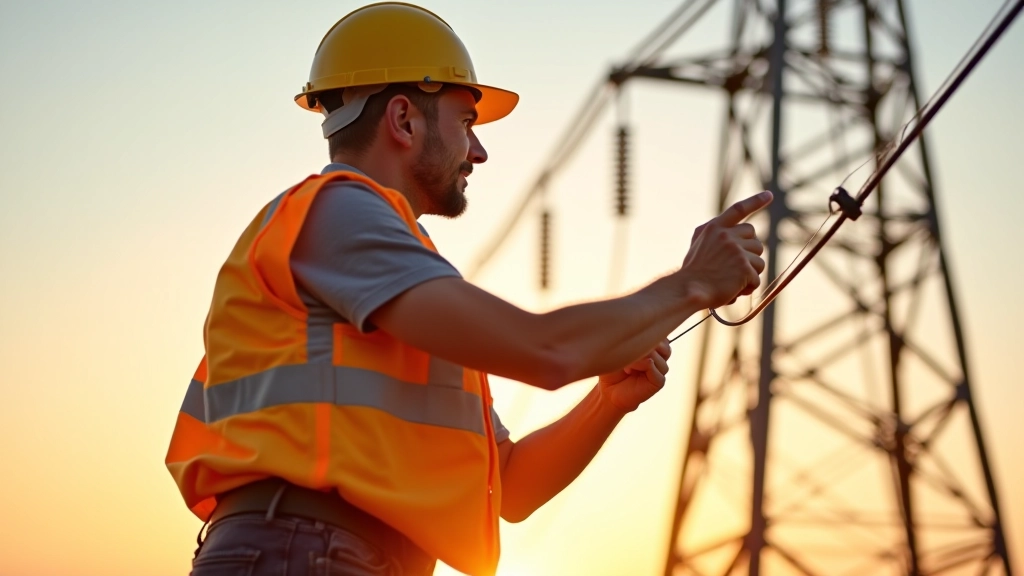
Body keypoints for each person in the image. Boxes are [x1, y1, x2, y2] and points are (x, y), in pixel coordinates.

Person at [165, 3, 771, 575]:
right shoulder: (338, 213)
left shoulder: (397, 273)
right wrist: (692, 284)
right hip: (308, 549)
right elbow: (546, 350)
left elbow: (509, 486)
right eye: (465, 123)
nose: (477, 151)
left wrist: (606, 401)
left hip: (330, 552)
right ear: (404, 119)